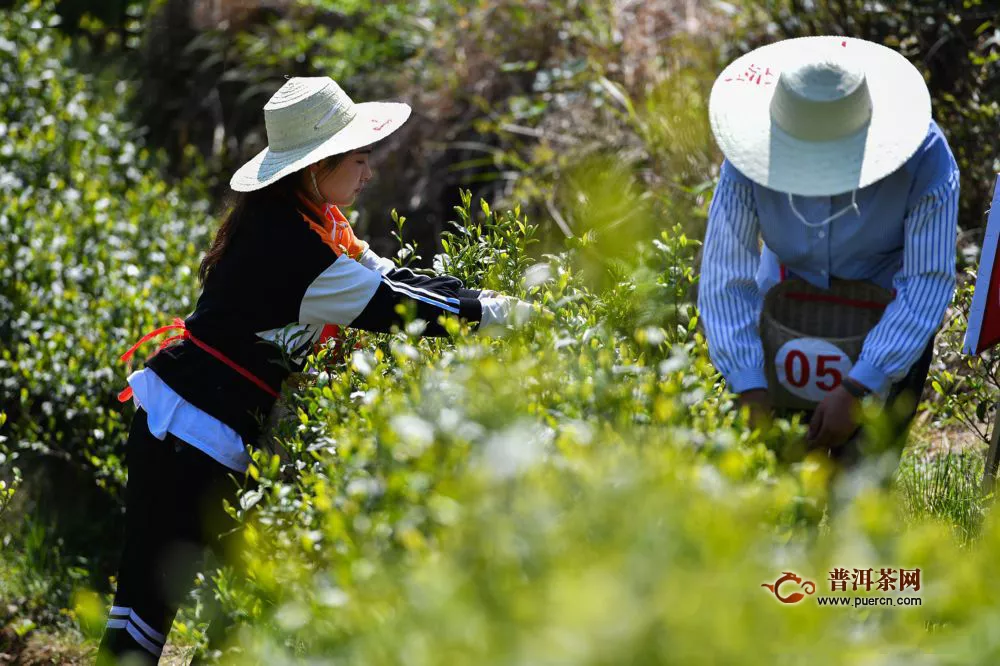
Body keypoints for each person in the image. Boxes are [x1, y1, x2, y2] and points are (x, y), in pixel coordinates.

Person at [96, 76, 531, 664]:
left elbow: (390, 280)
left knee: (238, 610)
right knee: (148, 622)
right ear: (316, 166)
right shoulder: (296, 249)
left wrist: (486, 299)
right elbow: (398, 309)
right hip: (186, 434)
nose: (369, 172)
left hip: (199, 428)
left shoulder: (312, 223)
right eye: (360, 158)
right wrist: (507, 314)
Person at [698, 36, 959, 463]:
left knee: (857, 491)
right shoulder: (746, 158)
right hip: (781, 310)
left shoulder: (925, 157)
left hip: (888, 319)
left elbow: (926, 282)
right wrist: (748, 381)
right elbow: (726, 273)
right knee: (774, 482)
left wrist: (859, 386)